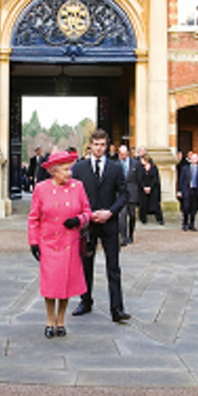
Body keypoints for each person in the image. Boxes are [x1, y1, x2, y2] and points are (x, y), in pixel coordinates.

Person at [27, 149, 91, 337]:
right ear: (54, 171)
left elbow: (88, 212)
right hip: (48, 243)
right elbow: (33, 219)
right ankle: (49, 321)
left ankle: (61, 321)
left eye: (69, 169)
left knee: (66, 285)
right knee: (50, 285)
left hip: (69, 242)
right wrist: (33, 242)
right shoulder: (41, 188)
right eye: (64, 170)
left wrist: (78, 220)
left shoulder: (78, 187)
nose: (69, 173)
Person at [71, 129, 131, 323]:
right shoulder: (79, 168)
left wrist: (110, 212)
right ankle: (85, 301)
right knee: (86, 265)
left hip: (109, 224)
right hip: (88, 225)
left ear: (107, 146)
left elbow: (124, 195)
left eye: (102, 145)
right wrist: (87, 215)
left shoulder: (115, 168)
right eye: (96, 144)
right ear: (90, 145)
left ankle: (117, 309)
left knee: (113, 267)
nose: (99, 148)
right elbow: (74, 196)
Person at [118, 144, 141, 245]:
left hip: (133, 193)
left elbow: (139, 179)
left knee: (132, 215)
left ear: (127, 153)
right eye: (121, 154)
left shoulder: (135, 164)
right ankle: (123, 237)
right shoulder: (116, 165)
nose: (122, 155)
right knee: (122, 216)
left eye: (124, 153)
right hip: (121, 194)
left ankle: (130, 234)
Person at [177, 150, 198, 232]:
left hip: (196, 190)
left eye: (196, 158)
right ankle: (185, 223)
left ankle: (191, 224)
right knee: (186, 207)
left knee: (194, 209)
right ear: (190, 159)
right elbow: (181, 180)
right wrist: (179, 190)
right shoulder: (185, 169)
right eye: (193, 158)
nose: (194, 159)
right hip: (186, 190)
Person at [139, 154, 164, 225]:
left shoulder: (153, 168)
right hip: (143, 188)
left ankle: (159, 219)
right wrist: (144, 186)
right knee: (143, 204)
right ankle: (143, 219)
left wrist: (150, 187)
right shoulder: (140, 168)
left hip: (153, 189)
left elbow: (155, 179)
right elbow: (139, 178)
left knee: (155, 204)